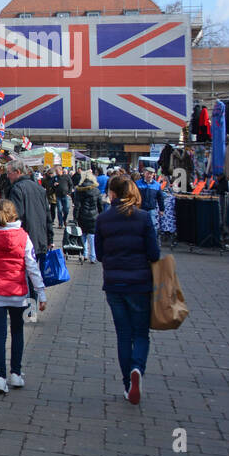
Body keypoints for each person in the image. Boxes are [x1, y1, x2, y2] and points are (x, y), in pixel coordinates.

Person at [96, 174, 162, 405]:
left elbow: (100, 255)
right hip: (139, 283)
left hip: (114, 284)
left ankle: (127, 384)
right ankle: (137, 369)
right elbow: (154, 254)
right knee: (141, 333)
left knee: (123, 334)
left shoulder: (103, 219)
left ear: (111, 193)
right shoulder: (143, 217)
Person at [0, 200, 47, 393]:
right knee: (17, 332)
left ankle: (0, 377)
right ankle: (16, 374)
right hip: (18, 293)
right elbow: (32, 267)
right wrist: (41, 293)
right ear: (14, 215)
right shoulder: (23, 236)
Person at [6, 157, 52, 322]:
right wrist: (49, 237)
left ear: (17, 172)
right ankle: (32, 309)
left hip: (25, 238)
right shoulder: (38, 188)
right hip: (39, 237)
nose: (7, 176)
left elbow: (16, 216)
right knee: (34, 274)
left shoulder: (17, 189)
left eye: (9, 173)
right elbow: (48, 215)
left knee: (24, 275)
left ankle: (28, 310)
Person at [73, 173, 101, 263]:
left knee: (83, 235)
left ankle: (84, 254)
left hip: (82, 215)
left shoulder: (79, 190)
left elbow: (77, 206)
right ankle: (93, 256)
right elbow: (99, 204)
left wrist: (75, 217)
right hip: (94, 216)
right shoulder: (96, 190)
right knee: (92, 236)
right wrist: (100, 214)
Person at [135, 167, 165, 236]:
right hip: (140, 209)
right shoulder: (137, 183)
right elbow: (133, 196)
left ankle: (152, 242)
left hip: (151, 209)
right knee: (139, 226)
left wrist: (162, 209)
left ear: (153, 175)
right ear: (144, 173)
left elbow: (160, 198)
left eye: (151, 174)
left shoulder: (157, 185)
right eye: (147, 173)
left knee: (152, 226)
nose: (149, 175)